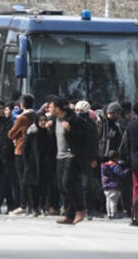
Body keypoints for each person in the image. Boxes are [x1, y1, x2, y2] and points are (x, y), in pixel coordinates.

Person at [48, 96, 93, 225]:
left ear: (57, 108)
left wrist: (70, 130)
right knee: (62, 186)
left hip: (72, 155)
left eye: (50, 107)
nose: (49, 109)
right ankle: (69, 215)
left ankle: (80, 209)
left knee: (68, 182)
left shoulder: (73, 120)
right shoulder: (54, 119)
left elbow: (85, 136)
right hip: (59, 156)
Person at [7, 94, 36, 215]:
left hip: (21, 149)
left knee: (22, 179)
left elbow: (10, 134)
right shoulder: (36, 115)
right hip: (33, 151)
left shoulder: (22, 118)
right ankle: (32, 205)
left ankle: (23, 204)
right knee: (31, 178)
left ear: (22, 104)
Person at [101, 150, 128, 219]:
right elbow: (121, 174)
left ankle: (109, 213)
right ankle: (114, 213)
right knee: (114, 201)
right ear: (116, 158)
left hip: (106, 186)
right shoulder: (115, 166)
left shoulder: (103, 165)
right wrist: (126, 171)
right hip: (114, 186)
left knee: (108, 200)